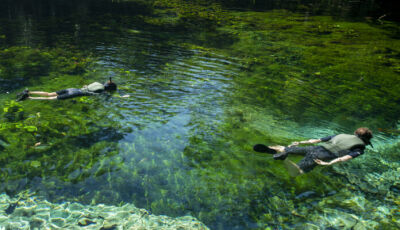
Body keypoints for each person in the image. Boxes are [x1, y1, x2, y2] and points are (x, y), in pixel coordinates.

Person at [269, 127, 373, 177]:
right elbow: (345, 157)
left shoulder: (341, 135)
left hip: (314, 148)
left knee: (285, 148)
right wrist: (328, 163)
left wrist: (300, 142)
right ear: (366, 140)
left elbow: (316, 140)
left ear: (355, 133)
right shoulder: (360, 148)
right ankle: (284, 158)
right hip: (321, 155)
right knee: (296, 173)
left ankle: (275, 149)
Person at [16, 78, 117, 101]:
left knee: (49, 94)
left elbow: (87, 86)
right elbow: (97, 95)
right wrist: (121, 96)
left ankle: (28, 91)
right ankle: (29, 98)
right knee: (50, 99)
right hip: (73, 94)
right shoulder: (102, 91)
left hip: (72, 89)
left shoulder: (97, 83)